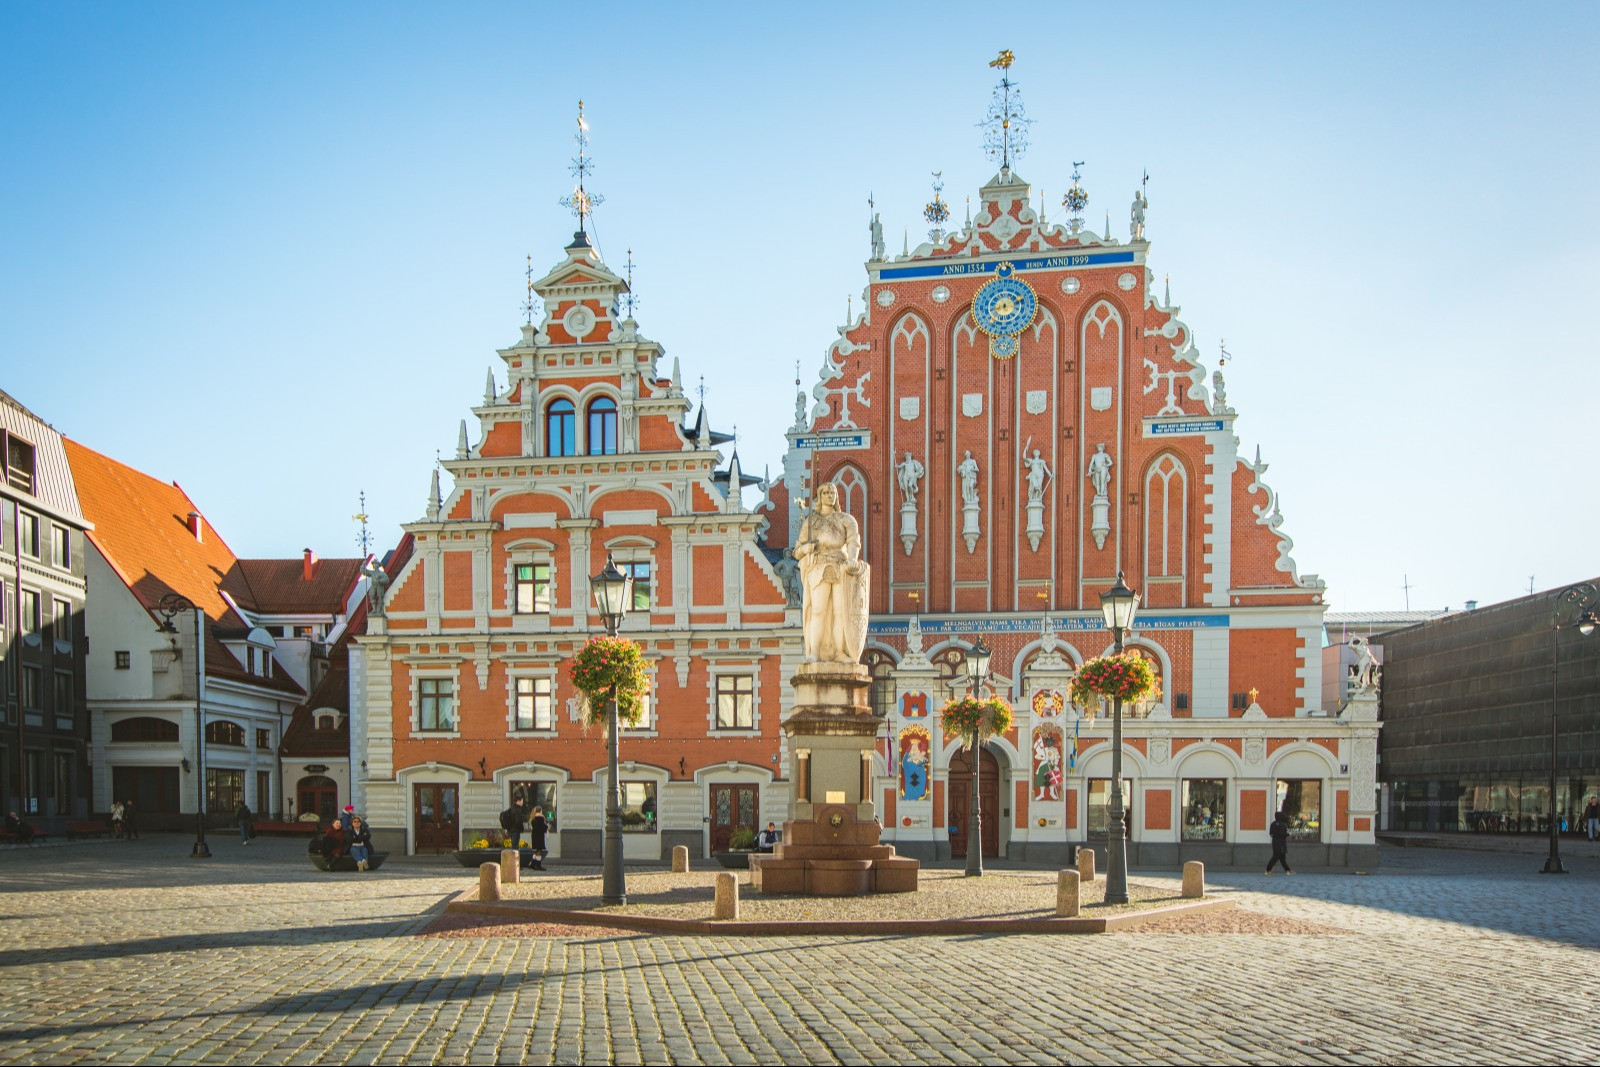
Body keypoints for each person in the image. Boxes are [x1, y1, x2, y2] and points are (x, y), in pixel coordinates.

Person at [794, 481, 869, 665]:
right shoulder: (811, 522)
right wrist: (806, 549)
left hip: (840, 565)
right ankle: (814, 652)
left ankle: (839, 652)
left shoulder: (846, 519)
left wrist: (852, 558)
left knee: (840, 612)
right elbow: (797, 551)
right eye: (826, 493)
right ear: (820, 497)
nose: (830, 496)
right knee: (818, 610)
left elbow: (854, 541)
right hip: (819, 566)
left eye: (832, 492)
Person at [1266, 810, 1293, 875]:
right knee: (1276, 856)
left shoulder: (1273, 824)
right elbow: (1283, 833)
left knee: (1282, 857)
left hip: (1275, 842)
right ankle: (1268, 870)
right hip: (1281, 842)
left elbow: (1271, 833)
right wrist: (1289, 834)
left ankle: (1287, 870)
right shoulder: (1282, 824)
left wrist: (1275, 836)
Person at [528, 805, 548, 870]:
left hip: (534, 835)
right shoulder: (540, 818)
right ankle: (538, 866)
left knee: (537, 850)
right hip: (539, 836)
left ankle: (532, 864)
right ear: (540, 811)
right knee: (539, 850)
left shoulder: (533, 818)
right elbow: (542, 828)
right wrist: (547, 826)